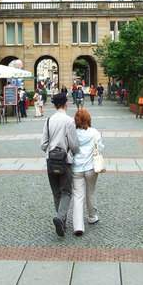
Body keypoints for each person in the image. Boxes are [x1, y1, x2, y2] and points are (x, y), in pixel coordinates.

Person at [41, 93, 79, 237]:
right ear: (66, 103)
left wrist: (51, 150)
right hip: (65, 161)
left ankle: (61, 221)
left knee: (56, 192)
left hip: (50, 160)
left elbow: (43, 144)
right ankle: (60, 218)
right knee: (67, 191)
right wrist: (74, 152)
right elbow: (74, 144)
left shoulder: (49, 120)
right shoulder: (69, 121)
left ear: (54, 105)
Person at [72, 109, 103, 236]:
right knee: (90, 192)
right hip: (91, 168)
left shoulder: (73, 133)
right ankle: (92, 216)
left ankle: (78, 226)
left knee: (78, 196)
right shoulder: (94, 132)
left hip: (76, 168)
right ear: (88, 119)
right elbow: (100, 148)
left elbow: (71, 147)